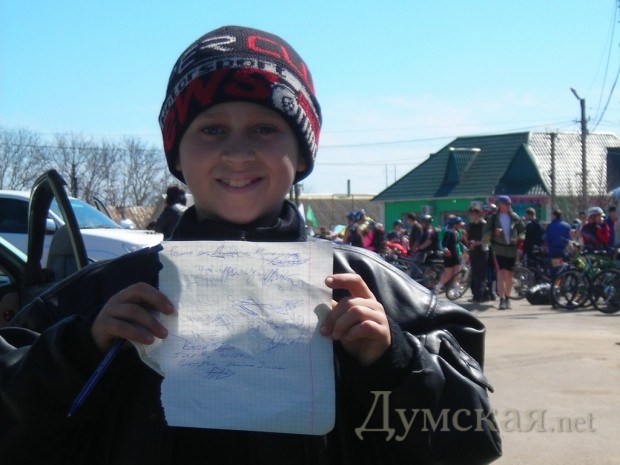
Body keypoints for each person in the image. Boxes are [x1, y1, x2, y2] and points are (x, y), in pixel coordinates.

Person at [0, 26, 501, 464]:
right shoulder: (98, 298)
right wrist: (77, 348)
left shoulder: (378, 291)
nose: (237, 153)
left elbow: (472, 439)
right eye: (211, 129)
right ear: (177, 155)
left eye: (264, 128)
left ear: (300, 155)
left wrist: (394, 359)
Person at [483, 195, 525, 310]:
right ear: (499, 205)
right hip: (499, 249)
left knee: (509, 276)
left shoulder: (514, 217)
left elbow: (522, 230)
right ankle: (502, 299)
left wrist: (519, 238)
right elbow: (485, 233)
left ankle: (507, 297)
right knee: (500, 274)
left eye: (509, 204)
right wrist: (494, 233)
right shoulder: (493, 218)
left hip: (511, 249)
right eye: (505, 204)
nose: (508, 206)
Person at [435, 216, 463, 295]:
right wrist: (445, 249)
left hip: (456, 255)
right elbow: (444, 243)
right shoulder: (449, 232)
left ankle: (456, 290)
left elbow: (458, 242)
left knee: (457, 273)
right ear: (454, 224)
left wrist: (463, 248)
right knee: (448, 274)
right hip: (449, 256)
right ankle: (437, 287)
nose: (460, 225)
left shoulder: (457, 232)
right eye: (458, 224)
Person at [466, 205, 489, 303]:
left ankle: (478, 296)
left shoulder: (484, 225)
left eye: (475, 214)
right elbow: (469, 238)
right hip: (473, 251)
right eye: (471, 214)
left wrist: (476, 243)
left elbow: (487, 240)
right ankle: (481, 295)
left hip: (482, 251)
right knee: (474, 274)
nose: (473, 216)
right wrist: (469, 242)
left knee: (481, 275)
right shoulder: (470, 225)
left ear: (479, 214)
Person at [543, 209, 571, 274]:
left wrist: (544, 247)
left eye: (552, 215)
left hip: (553, 250)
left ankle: (555, 279)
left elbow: (546, 238)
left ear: (554, 216)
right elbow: (569, 239)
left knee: (554, 270)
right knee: (562, 269)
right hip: (563, 250)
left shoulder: (551, 225)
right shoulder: (567, 225)